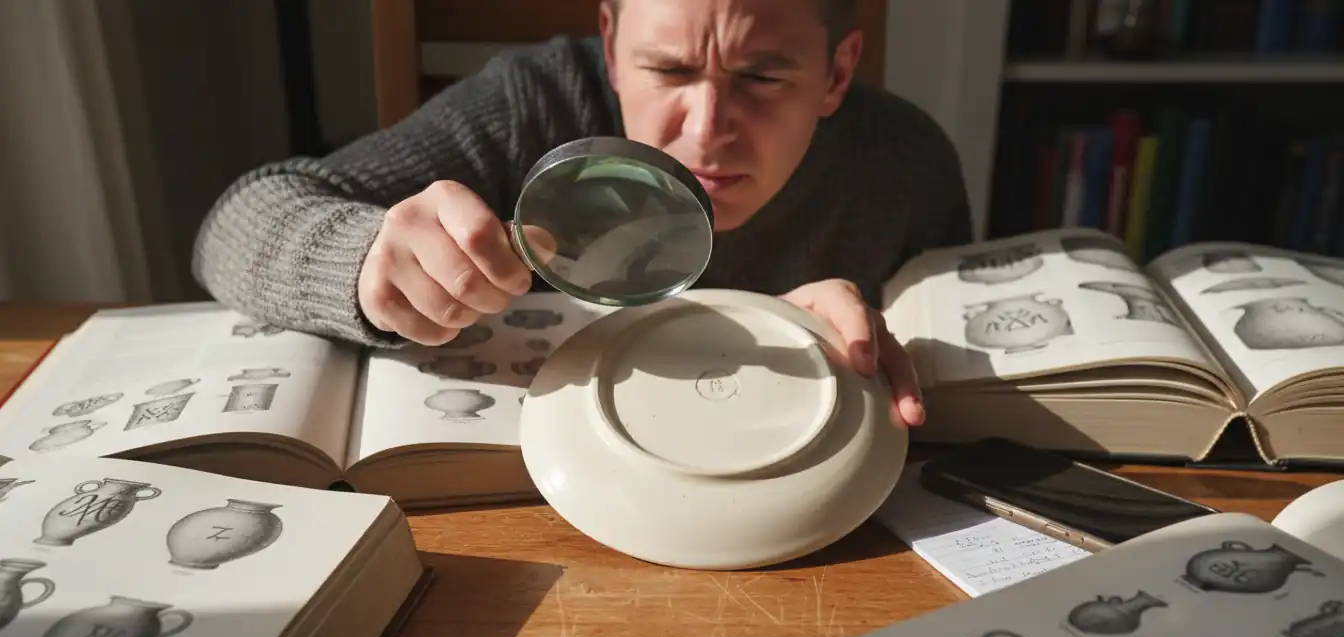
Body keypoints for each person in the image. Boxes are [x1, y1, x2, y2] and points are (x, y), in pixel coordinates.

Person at [192, 0, 973, 428]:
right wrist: (363, 260)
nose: (707, 130)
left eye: (762, 78)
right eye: (667, 68)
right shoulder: (530, 105)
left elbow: (960, 401)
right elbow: (236, 220)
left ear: (837, 72)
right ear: (610, 43)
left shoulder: (905, 165)